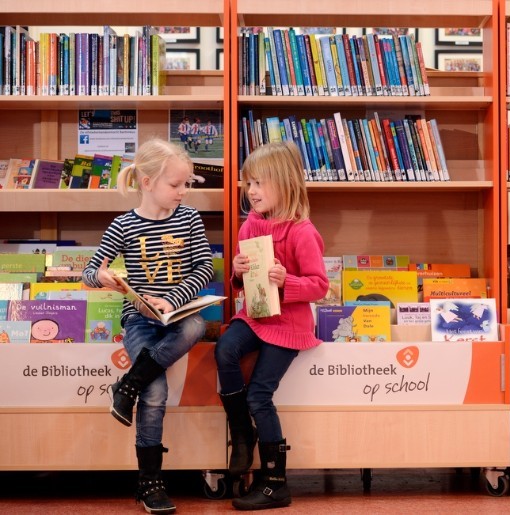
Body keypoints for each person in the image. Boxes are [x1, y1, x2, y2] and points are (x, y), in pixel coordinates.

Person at [82, 138, 214, 515]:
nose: (182, 192)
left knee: (195, 329)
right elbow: (90, 272)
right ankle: (149, 483)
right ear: (147, 182)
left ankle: (127, 385)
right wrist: (102, 277)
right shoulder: (122, 225)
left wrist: (172, 299)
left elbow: (205, 268)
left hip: (178, 313)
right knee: (154, 395)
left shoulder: (188, 219)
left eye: (186, 184)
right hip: (140, 318)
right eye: (176, 184)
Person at [214, 141, 328, 510]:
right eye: (249, 184)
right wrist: (237, 273)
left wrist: (287, 281)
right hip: (256, 315)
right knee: (225, 349)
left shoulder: (302, 231)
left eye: (259, 183)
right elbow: (243, 282)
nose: (251, 191)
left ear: (285, 183)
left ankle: (276, 482)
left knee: (259, 395)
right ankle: (241, 434)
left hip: (288, 324)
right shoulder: (250, 225)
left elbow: (320, 285)